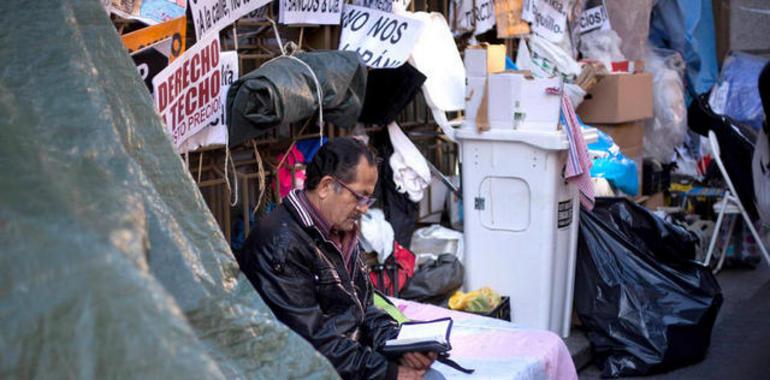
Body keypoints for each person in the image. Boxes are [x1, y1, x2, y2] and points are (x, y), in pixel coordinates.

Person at [237, 137, 437, 380]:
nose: (364, 208)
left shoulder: (340, 231)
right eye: (359, 197)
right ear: (325, 187)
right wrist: (388, 372)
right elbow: (310, 342)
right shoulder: (282, 243)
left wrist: (397, 343)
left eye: (368, 199)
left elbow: (363, 307)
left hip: (346, 359)